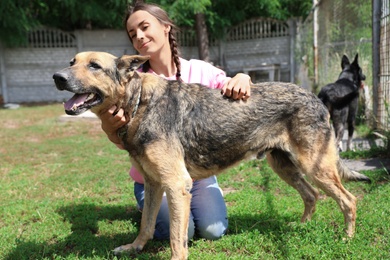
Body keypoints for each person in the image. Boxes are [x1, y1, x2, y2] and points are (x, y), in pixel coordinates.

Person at [100, 1, 252, 241]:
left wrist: (243, 77)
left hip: (197, 174)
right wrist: (109, 130)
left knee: (214, 231)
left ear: (165, 27)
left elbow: (230, 88)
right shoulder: (131, 83)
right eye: (132, 34)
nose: (139, 36)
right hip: (154, 178)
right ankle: (147, 207)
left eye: (144, 27)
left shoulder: (199, 71)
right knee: (185, 232)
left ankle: (195, 200)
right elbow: (126, 140)